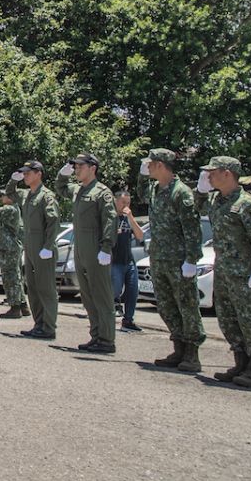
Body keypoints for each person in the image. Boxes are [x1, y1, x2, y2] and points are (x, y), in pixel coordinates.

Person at [199, 156, 251, 389]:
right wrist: (201, 191)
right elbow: (198, 207)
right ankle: (241, 363)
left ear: (227, 174)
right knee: (227, 319)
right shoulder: (217, 201)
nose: (208, 176)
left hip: (246, 275)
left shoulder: (247, 204)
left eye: (212, 173)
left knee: (250, 320)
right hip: (223, 271)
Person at [140, 148, 205, 372]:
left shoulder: (182, 193)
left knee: (186, 305)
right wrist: (140, 176)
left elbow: (192, 229)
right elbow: (140, 194)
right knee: (166, 306)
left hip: (178, 260)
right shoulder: (155, 190)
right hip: (159, 258)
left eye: (149, 164)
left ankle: (192, 354)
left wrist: (192, 259)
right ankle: (178, 348)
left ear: (160, 165)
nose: (147, 167)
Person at [55, 153, 118, 354]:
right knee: (88, 295)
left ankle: (107, 339)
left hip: (96, 249)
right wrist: (61, 175)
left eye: (80, 166)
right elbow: (61, 188)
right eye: (75, 167)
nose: (76, 170)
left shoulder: (102, 192)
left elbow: (110, 221)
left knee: (101, 295)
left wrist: (107, 248)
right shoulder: (78, 190)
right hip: (81, 249)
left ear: (93, 168)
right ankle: (96, 335)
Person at [7, 162, 61, 340]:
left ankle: (49, 327)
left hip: (43, 246)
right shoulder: (26, 195)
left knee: (46, 289)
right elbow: (10, 194)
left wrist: (47, 246)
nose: (25, 176)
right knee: (33, 288)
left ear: (38, 174)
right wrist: (12, 182)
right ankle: (39, 324)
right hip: (30, 246)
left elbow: (53, 223)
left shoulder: (46, 196)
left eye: (28, 173)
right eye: (23, 173)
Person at [111, 189, 144, 332]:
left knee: (132, 290)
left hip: (128, 260)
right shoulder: (110, 218)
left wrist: (131, 218)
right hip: (114, 260)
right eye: (123, 202)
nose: (126, 205)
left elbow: (140, 236)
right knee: (115, 290)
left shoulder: (127, 218)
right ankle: (107, 316)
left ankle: (128, 320)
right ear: (115, 201)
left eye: (128, 203)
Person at [0, 187, 28, 319]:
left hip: (8, 247)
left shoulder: (9, 208)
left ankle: (15, 307)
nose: (2, 198)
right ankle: (23, 305)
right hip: (12, 247)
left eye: (4, 196)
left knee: (10, 276)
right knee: (16, 275)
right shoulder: (15, 208)